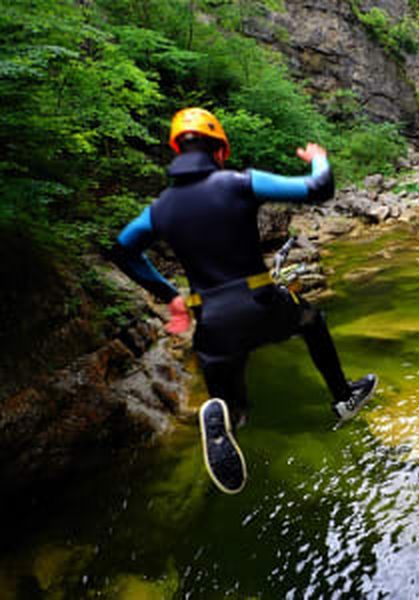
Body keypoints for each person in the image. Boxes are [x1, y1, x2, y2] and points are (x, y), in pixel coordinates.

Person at [111, 107, 377, 493]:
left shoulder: (159, 210)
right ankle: (344, 396)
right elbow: (318, 188)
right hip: (262, 304)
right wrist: (318, 158)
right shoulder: (240, 183)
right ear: (219, 150)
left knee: (230, 404)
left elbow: (122, 252)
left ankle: (227, 416)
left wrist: (171, 296)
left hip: (212, 325)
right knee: (311, 321)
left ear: (175, 152)